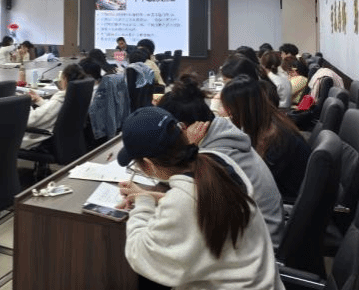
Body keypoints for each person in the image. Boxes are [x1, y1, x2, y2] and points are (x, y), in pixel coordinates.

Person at [116, 107, 283, 290]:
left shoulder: (183, 202)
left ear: (148, 165)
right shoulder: (217, 161)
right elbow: (200, 203)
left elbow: (140, 254)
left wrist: (143, 205)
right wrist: (155, 197)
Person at [158, 73, 285, 247]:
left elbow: (190, 204)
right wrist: (149, 196)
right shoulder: (220, 129)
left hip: (259, 246)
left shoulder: (216, 156)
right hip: (257, 231)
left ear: (183, 127)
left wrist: (188, 148)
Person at [220, 75, 310, 200]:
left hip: (286, 199)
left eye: (230, 110)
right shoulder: (270, 120)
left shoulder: (276, 138)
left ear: (241, 109)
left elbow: (256, 183)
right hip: (284, 192)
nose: (229, 114)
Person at [22, 63, 86, 150]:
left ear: (65, 79)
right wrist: (39, 100)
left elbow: (29, 120)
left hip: (42, 140)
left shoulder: (59, 99)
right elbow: (53, 110)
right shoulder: (74, 95)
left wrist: (26, 104)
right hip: (65, 141)